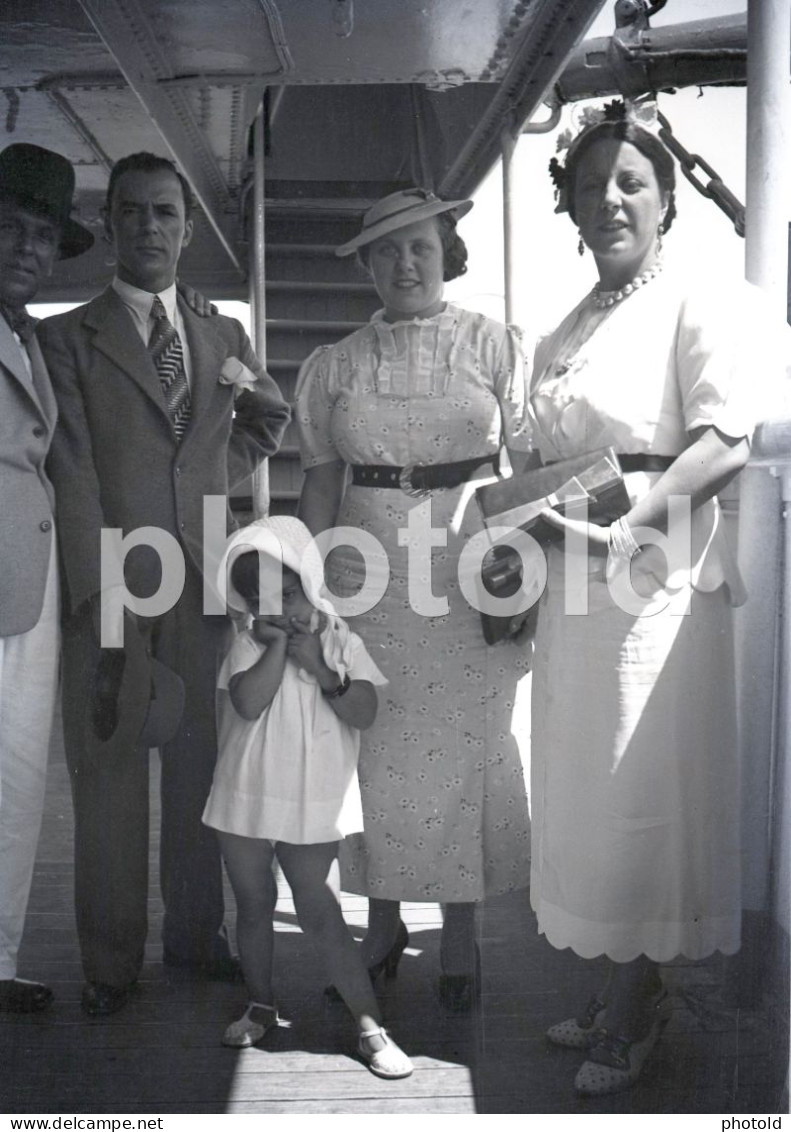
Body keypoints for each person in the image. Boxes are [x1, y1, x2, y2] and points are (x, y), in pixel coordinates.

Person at [525, 100, 779, 1095]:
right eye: (590, 187)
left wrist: (634, 524)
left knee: (638, 790)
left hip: (654, 583)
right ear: (571, 208)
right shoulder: (566, 324)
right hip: (571, 582)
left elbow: (725, 439)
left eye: (629, 181)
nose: (609, 200)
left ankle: (637, 1008)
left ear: (665, 198)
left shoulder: (700, 302)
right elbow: (542, 454)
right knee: (588, 790)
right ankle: (608, 983)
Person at [37, 152, 291, 1017]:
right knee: (108, 771)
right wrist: (94, 587)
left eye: (166, 213)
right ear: (109, 226)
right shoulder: (65, 337)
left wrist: (210, 487)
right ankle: (110, 962)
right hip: (113, 586)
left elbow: (266, 415)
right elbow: (69, 470)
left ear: (187, 229)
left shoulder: (221, 337)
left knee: (199, 768)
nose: (150, 227)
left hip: (205, 580)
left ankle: (196, 936)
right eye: (133, 212)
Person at [296, 188, 532, 1011]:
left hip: (469, 578)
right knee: (379, 755)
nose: (404, 263)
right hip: (367, 579)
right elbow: (320, 483)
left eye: (420, 247)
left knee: (470, 749)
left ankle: (460, 934)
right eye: (386, 249)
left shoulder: (495, 345)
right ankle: (384, 925)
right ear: (365, 264)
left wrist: (520, 565)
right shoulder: (333, 365)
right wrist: (310, 585)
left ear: (446, 252)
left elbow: (528, 470)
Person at [203, 517, 412, 1078]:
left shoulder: (343, 641)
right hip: (245, 796)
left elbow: (364, 711)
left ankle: (369, 1024)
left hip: (313, 798)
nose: (282, 611)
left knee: (319, 908)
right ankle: (261, 1004)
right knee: (252, 904)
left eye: (290, 593)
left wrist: (319, 666)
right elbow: (248, 704)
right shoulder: (248, 645)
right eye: (264, 601)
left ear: (309, 581)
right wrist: (276, 649)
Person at [0, 143, 93, 1014]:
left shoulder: (27, 336)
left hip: (29, 584)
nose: (28, 248)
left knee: (19, 778)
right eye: (12, 229)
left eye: (42, 235)